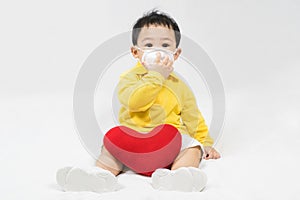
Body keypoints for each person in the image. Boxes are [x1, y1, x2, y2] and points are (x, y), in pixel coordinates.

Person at [56, 10, 220, 193]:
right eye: (149, 45)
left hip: (169, 145)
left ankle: (178, 177)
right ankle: (99, 177)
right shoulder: (129, 79)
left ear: (175, 54)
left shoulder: (180, 86)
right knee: (111, 147)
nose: (157, 51)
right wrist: (156, 75)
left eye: (165, 45)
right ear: (136, 52)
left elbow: (193, 117)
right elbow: (135, 103)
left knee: (193, 146)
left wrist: (206, 142)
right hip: (133, 144)